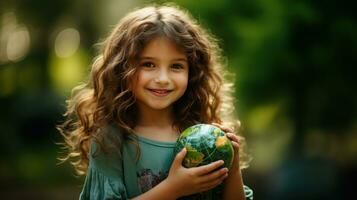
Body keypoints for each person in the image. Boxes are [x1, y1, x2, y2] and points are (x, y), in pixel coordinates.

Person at [58, 4, 253, 200]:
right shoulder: (110, 140)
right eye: (148, 64)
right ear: (122, 68)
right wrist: (173, 188)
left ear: (192, 72)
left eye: (176, 66)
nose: (162, 78)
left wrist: (233, 168)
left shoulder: (203, 137)